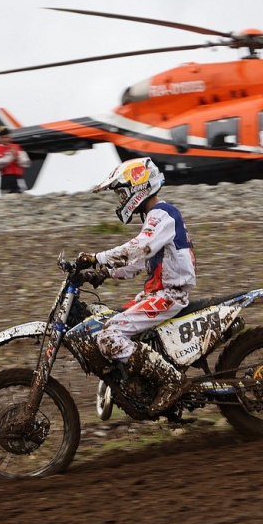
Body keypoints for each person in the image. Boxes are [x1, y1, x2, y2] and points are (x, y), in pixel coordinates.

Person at [75, 157, 196, 417]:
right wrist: (102, 273)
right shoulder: (158, 216)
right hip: (158, 293)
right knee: (107, 320)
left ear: (138, 187)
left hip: (169, 295)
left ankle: (171, 381)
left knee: (108, 337)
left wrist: (96, 258)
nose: (120, 199)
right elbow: (136, 263)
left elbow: (136, 249)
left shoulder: (161, 214)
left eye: (122, 192)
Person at [0, 126, 30, 194]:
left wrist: (17, 157)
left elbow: (26, 163)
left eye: (7, 137)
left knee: (22, 195)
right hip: (6, 178)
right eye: (3, 137)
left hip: (19, 177)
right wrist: (12, 157)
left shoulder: (17, 147)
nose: (5, 139)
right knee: (6, 198)